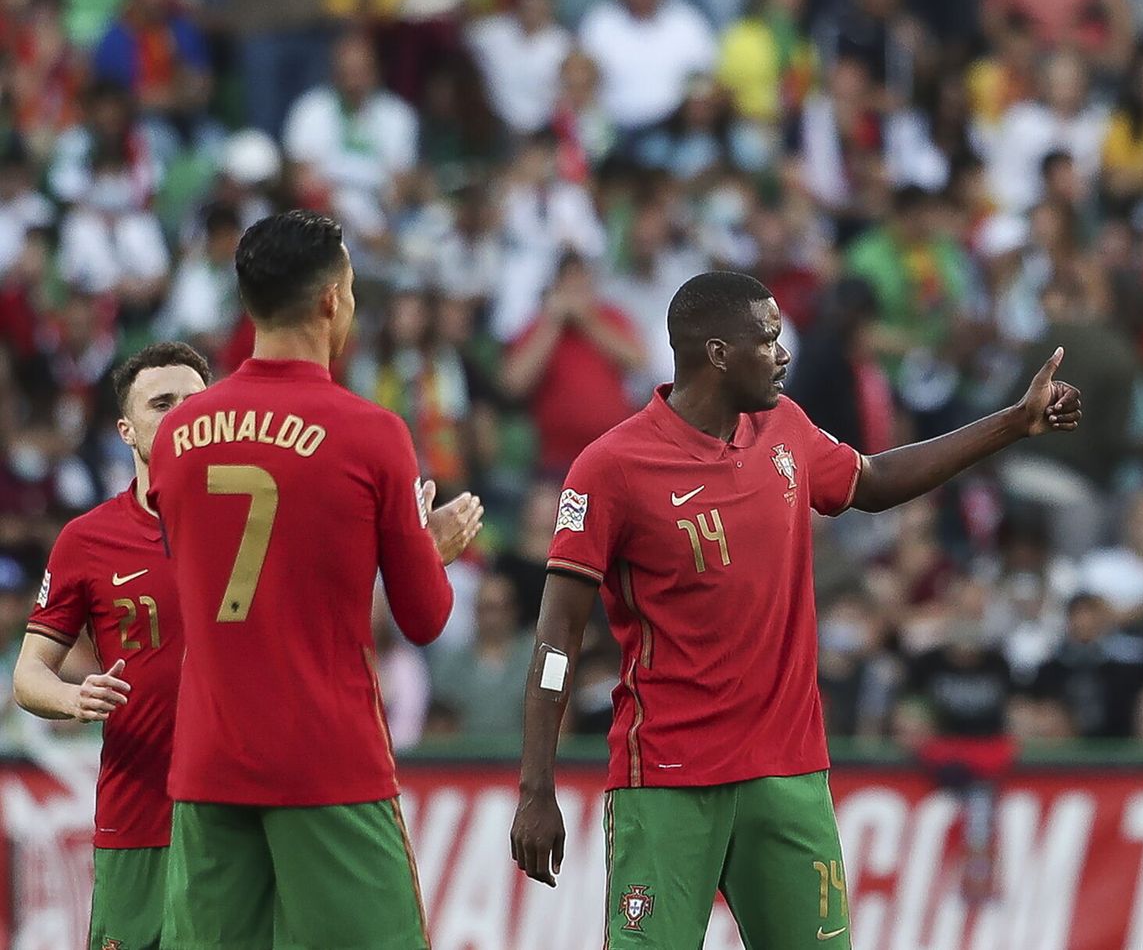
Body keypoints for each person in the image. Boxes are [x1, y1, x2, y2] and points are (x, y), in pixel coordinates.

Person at [509, 270, 1081, 947]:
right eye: (769, 339)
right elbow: (556, 641)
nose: (784, 355)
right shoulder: (611, 468)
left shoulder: (785, 428)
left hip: (789, 774)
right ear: (719, 354)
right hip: (666, 777)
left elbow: (874, 480)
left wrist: (1013, 423)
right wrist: (535, 786)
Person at [147, 210, 485, 949]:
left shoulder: (177, 434)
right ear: (332, 300)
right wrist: (432, 547)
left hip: (209, 761)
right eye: (354, 289)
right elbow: (423, 618)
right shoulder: (372, 434)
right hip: (327, 763)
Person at [12, 341, 209, 950]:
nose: (179, 415)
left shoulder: (258, 524)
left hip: (236, 812)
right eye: (161, 403)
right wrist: (73, 699)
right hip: (138, 811)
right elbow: (28, 673)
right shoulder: (87, 540)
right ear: (126, 428)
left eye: (193, 403)